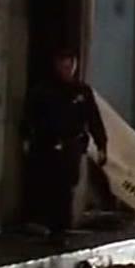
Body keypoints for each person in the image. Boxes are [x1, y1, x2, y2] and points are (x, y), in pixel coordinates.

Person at [21, 48, 108, 244]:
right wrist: (26, 138)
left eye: (71, 65)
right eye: (63, 65)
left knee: (68, 186)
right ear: (56, 65)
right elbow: (29, 117)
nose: (67, 69)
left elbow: (94, 119)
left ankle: (62, 229)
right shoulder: (43, 91)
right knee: (47, 185)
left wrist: (102, 145)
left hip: (72, 146)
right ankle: (45, 225)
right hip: (46, 145)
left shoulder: (82, 92)